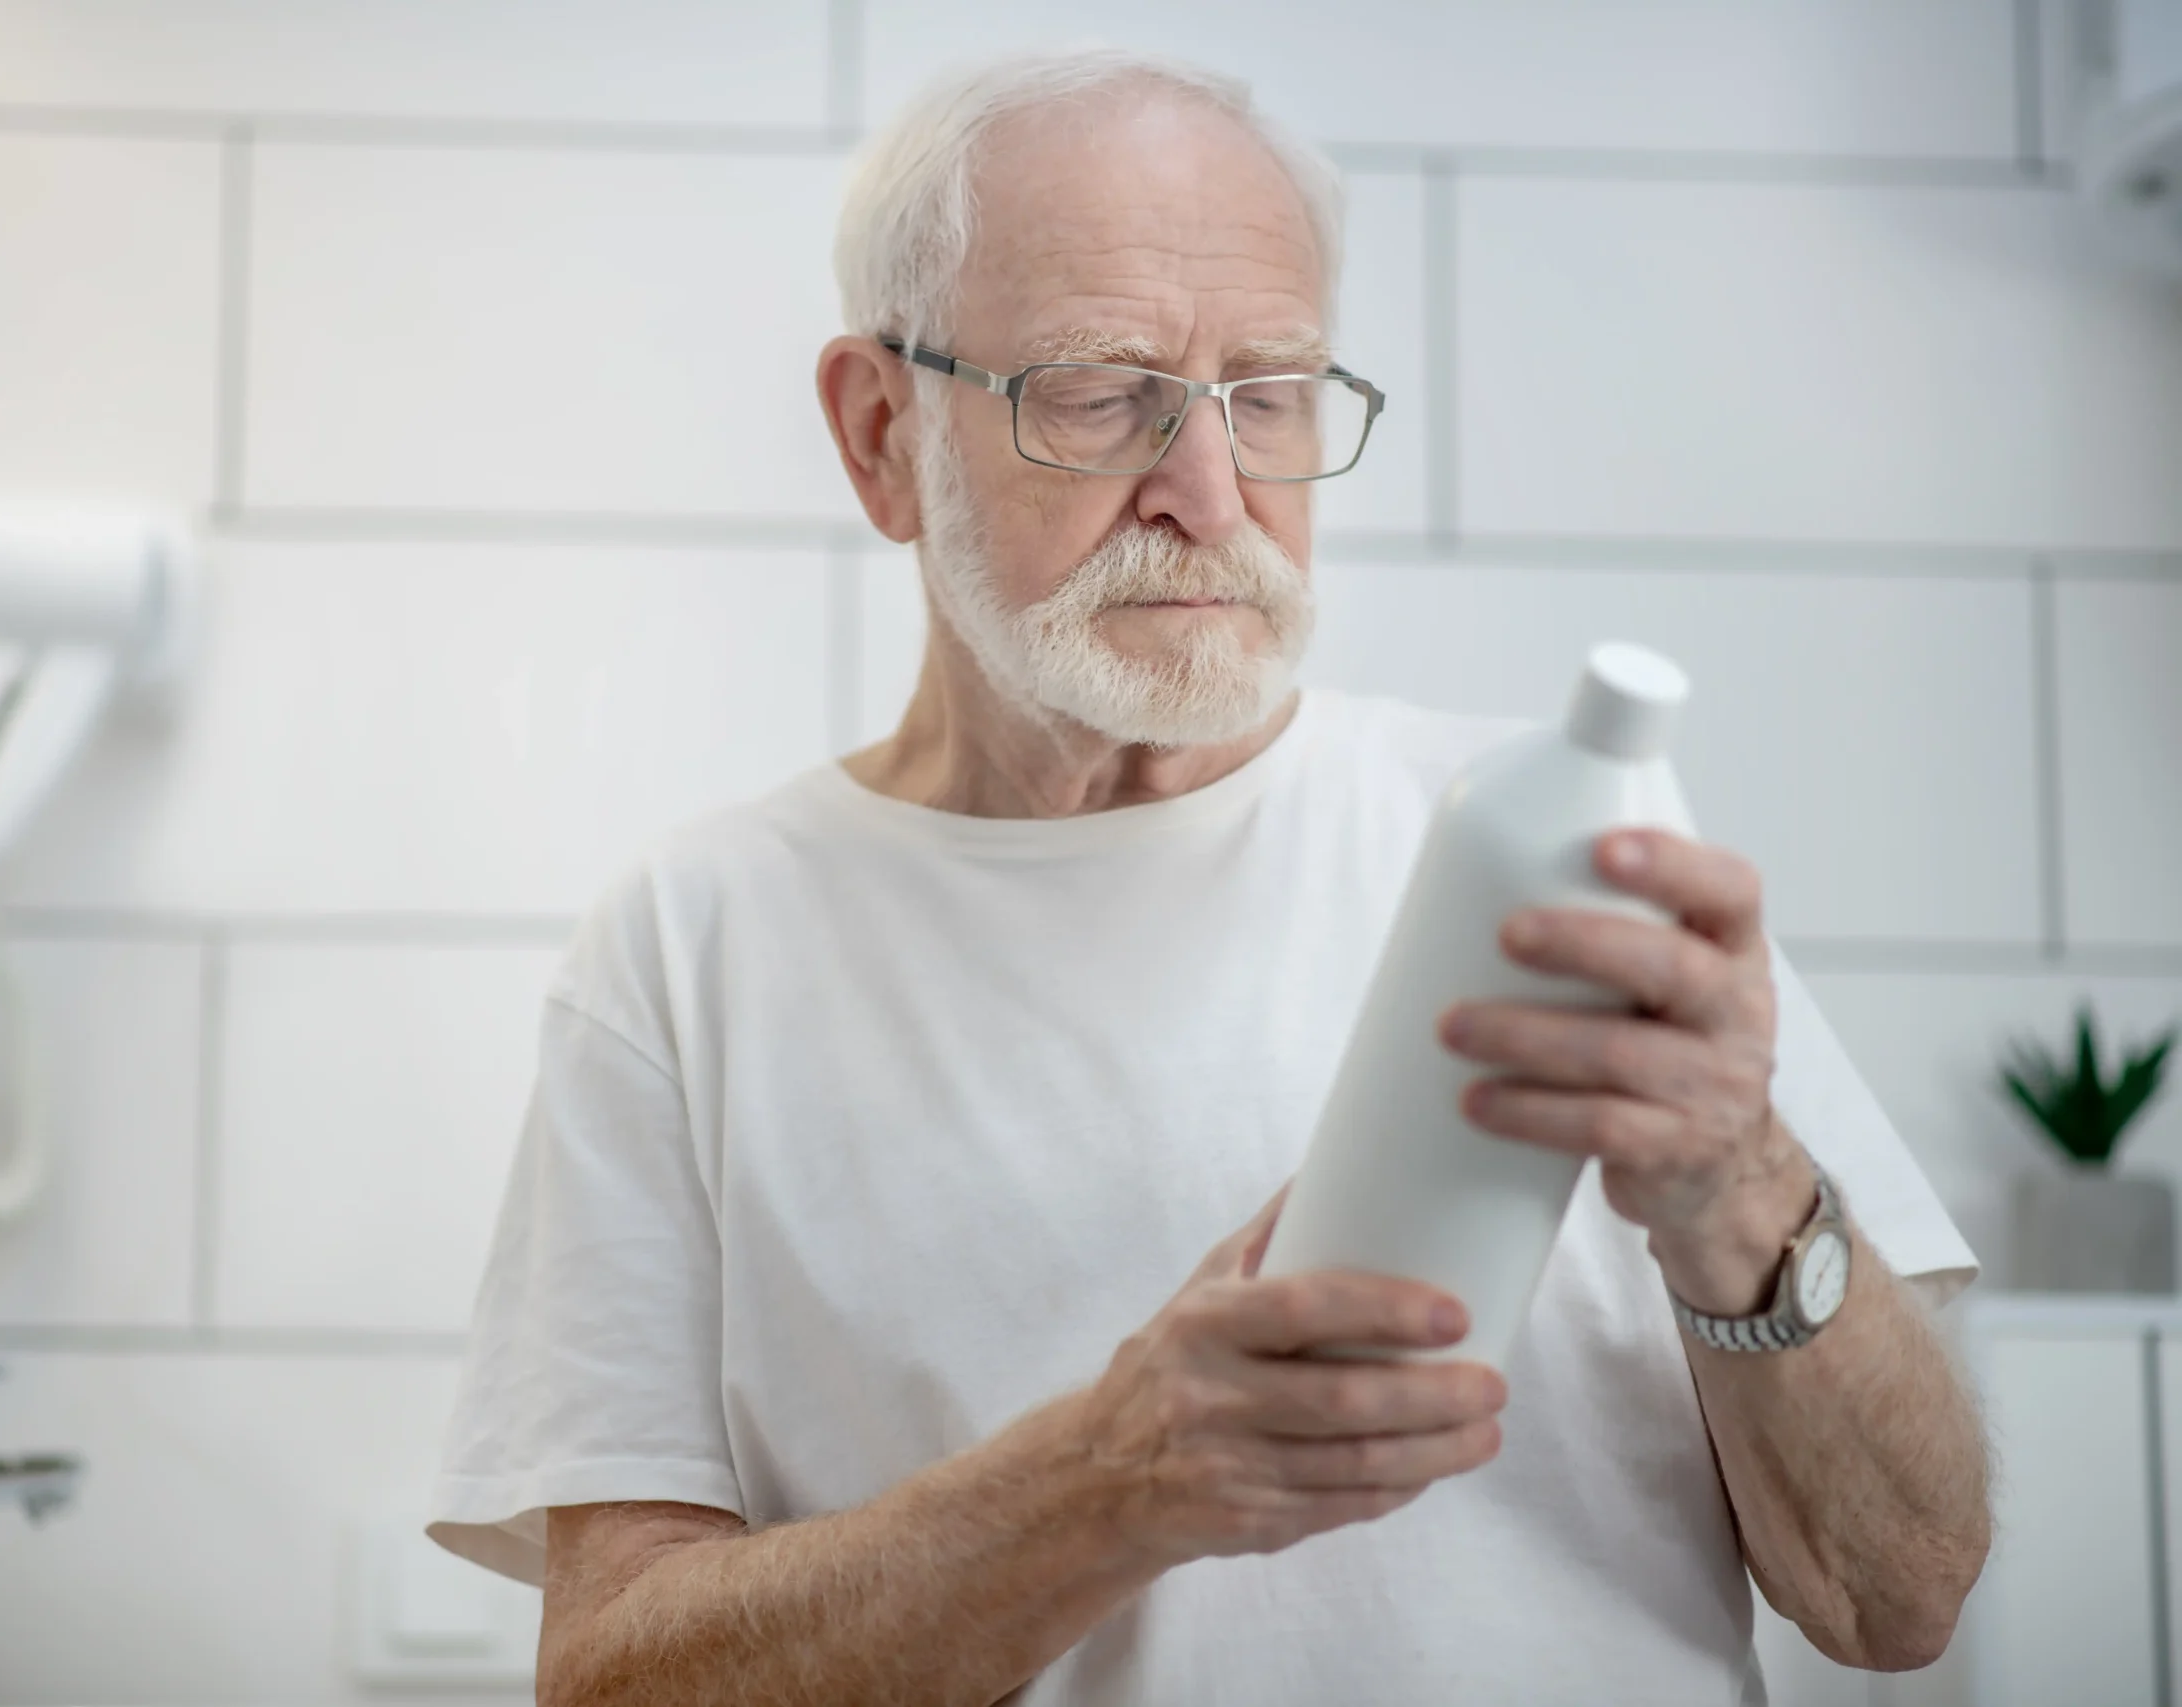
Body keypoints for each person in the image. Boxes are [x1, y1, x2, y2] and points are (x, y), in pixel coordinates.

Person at [427, 49, 1990, 1706]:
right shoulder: (693, 944)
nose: (1210, 490)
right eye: (1102, 393)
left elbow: (1901, 1597)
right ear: (883, 434)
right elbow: (611, 1676)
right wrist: (1105, 1484)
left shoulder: (1567, 861)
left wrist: (1741, 1189)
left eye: (1271, 391)